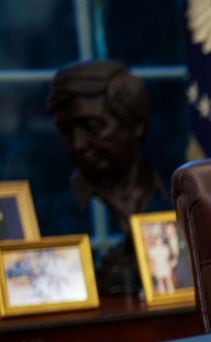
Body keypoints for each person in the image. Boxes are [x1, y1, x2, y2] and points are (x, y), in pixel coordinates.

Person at [47, 60, 165, 236]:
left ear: (136, 123)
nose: (77, 145)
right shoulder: (56, 210)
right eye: (65, 132)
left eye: (93, 127)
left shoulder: (173, 193)